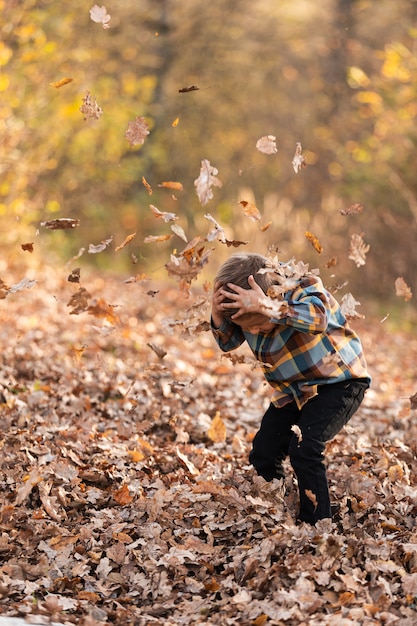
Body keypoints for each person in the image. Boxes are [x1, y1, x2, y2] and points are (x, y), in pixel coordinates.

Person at [210, 252, 370, 524]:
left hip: (340, 382)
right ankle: (273, 503)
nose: (257, 331)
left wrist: (269, 309)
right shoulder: (243, 308)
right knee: (264, 451)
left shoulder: (301, 285)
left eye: (260, 323)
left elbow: (318, 320)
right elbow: (228, 343)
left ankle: (318, 523)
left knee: (305, 447)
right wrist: (217, 312)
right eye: (250, 328)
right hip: (293, 390)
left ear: (270, 297)